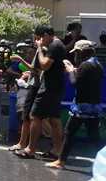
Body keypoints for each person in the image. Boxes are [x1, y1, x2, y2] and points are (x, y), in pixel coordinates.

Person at [46, 40, 103, 170]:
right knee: (94, 137)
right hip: (94, 107)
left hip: (82, 107)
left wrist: (70, 71)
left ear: (82, 53)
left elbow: (75, 83)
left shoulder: (84, 66)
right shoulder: (97, 65)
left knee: (69, 133)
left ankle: (61, 161)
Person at [14, 24, 67, 160]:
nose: (40, 42)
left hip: (49, 86)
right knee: (55, 118)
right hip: (56, 85)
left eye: (40, 39)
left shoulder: (54, 46)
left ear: (45, 35)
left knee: (34, 116)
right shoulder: (59, 45)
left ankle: (30, 149)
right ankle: (56, 150)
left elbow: (44, 65)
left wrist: (39, 49)